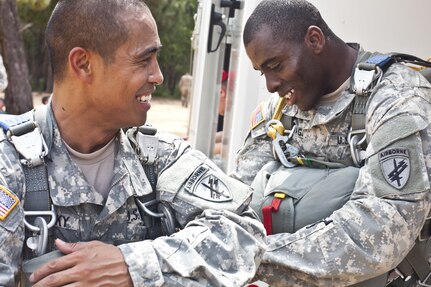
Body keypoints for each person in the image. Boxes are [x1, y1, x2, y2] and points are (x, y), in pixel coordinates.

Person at [0, 1, 266, 286]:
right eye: (143, 60)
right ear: (83, 64)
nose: (158, 76)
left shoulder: (158, 157)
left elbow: (246, 233)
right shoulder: (10, 164)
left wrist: (133, 265)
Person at [233, 0, 431, 286]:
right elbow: (237, 197)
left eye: (275, 66)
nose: (270, 85)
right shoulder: (279, 113)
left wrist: (246, 259)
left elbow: (379, 233)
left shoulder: (398, 102)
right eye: (262, 72)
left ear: (314, 40)